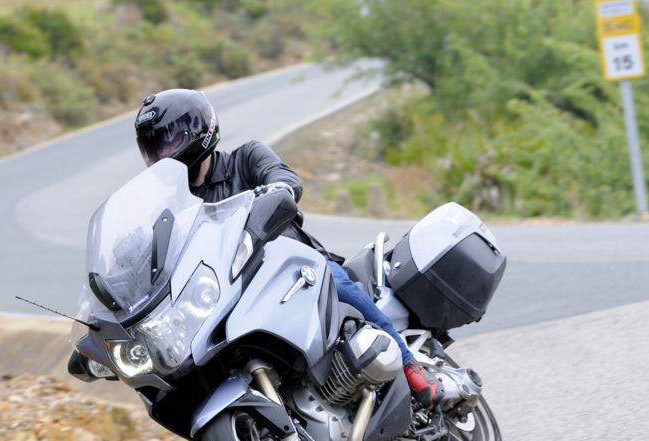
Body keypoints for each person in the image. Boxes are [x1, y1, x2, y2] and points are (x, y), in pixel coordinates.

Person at [134, 89, 444, 409]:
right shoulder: (173, 207)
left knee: (335, 281)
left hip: (293, 266)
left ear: (198, 131)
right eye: (153, 147)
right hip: (230, 297)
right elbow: (151, 248)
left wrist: (279, 187)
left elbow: (284, 177)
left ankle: (410, 367)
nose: (161, 155)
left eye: (168, 141)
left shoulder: (247, 158)